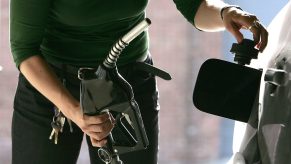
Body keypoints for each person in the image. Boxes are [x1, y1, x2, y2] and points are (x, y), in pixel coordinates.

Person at [9, 0, 268, 163]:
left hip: (125, 81)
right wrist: (74, 111)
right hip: (53, 84)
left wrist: (225, 12)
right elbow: (24, 50)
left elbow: (194, 7)